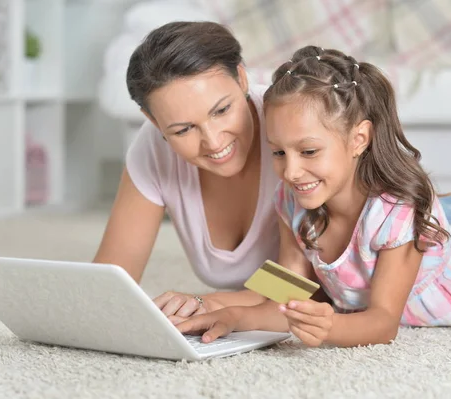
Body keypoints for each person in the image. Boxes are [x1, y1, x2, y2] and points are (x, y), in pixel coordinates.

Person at [176, 45, 451, 347]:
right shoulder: (291, 199)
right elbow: (284, 295)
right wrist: (231, 316)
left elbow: (383, 323)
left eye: (309, 150)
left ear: (359, 139)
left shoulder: (395, 213)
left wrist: (332, 327)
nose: (291, 171)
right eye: (278, 152)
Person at [93, 22, 326, 321]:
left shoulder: (295, 124)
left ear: (241, 78)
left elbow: (319, 284)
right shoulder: (152, 149)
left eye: (221, 111)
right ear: (152, 120)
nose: (214, 142)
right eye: (183, 129)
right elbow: (111, 280)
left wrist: (210, 303)